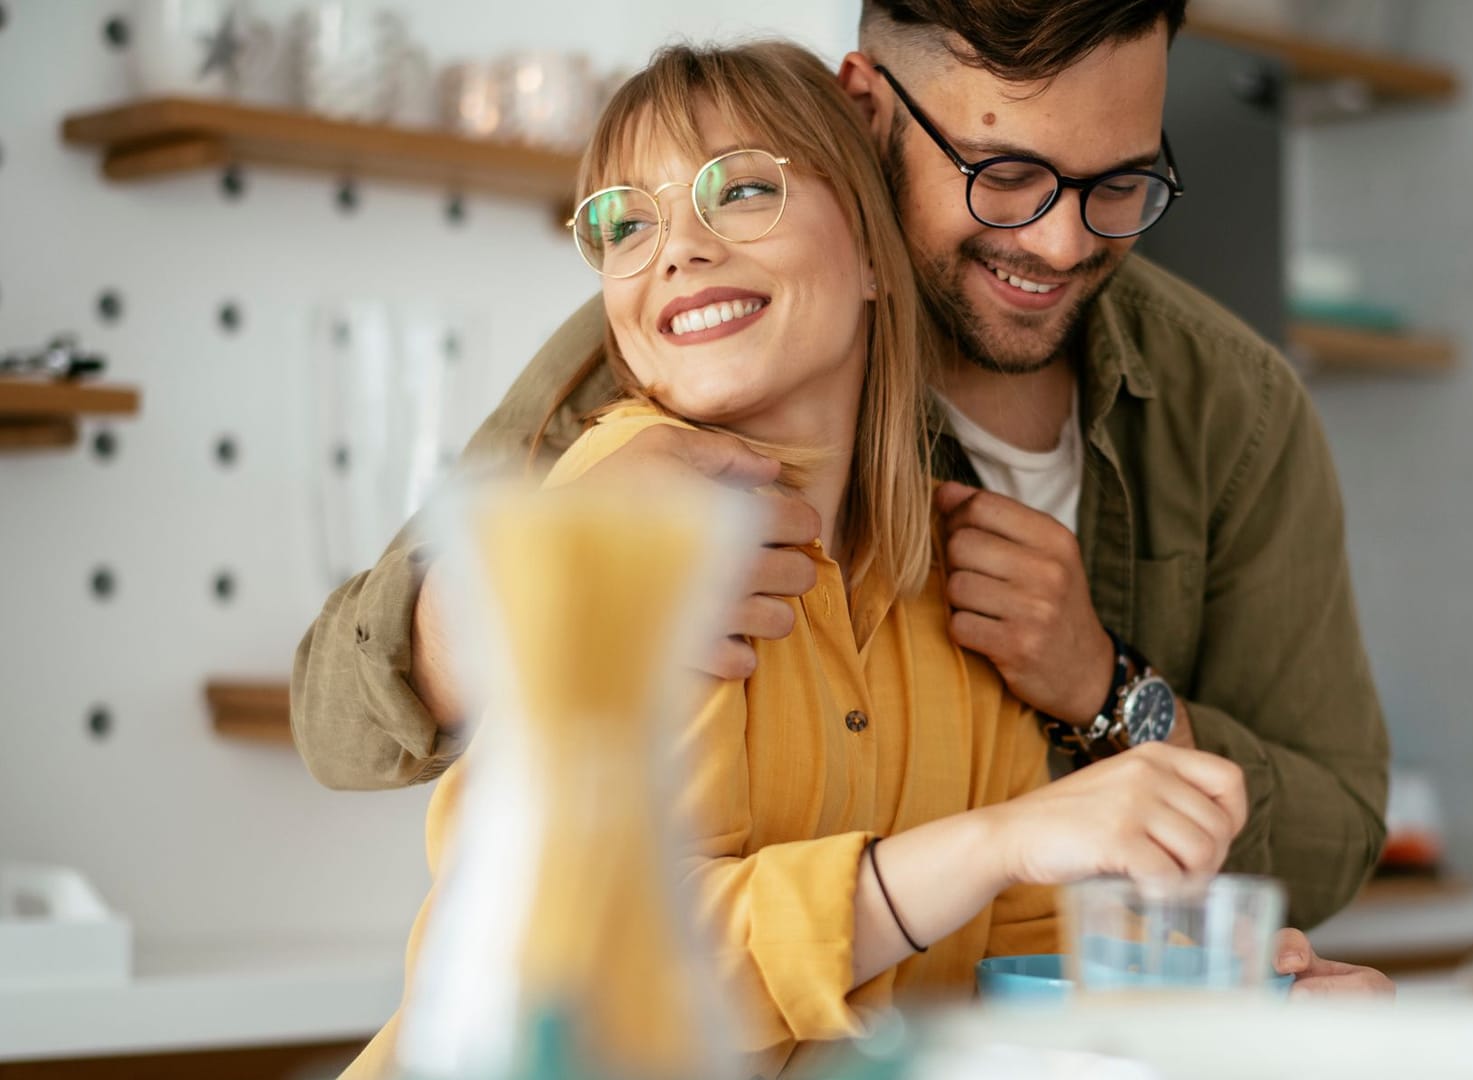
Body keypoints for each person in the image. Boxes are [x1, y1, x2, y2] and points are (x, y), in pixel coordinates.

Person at [336, 41, 1388, 1080]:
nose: (676, 250)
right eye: (624, 224)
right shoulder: (623, 514)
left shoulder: (955, 575)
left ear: (880, 255)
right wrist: (994, 843)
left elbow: (1005, 959)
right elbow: (602, 965)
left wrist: (1239, 996)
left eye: (740, 192)